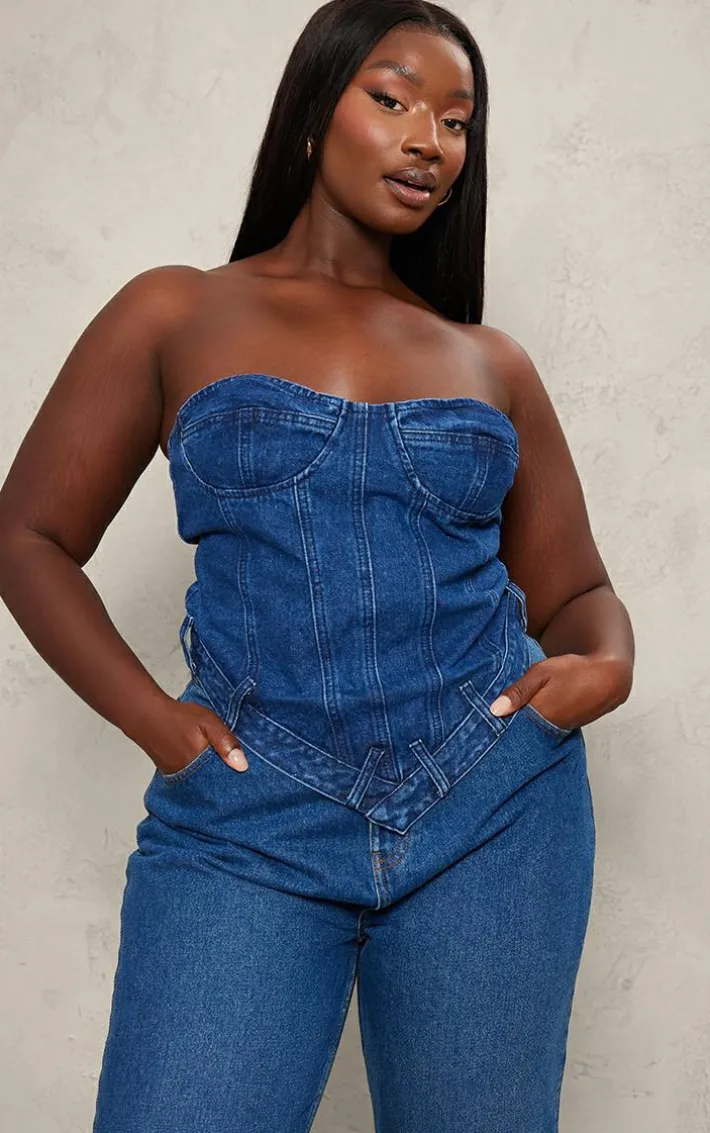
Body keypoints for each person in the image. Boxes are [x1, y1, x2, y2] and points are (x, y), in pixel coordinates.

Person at [0, 1, 635, 1130]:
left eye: (456, 121)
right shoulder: (176, 309)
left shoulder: (488, 360)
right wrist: (157, 723)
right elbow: (28, 537)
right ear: (310, 114)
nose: (428, 141)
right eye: (392, 100)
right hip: (250, 813)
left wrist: (603, 665)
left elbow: (576, 592)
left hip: (493, 807)